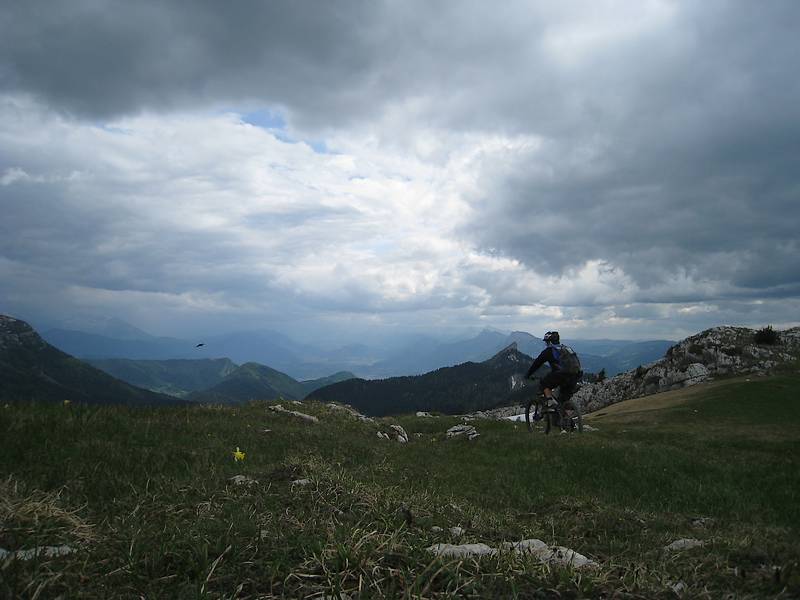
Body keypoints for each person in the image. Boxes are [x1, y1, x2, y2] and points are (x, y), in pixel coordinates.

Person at [525, 331, 582, 430]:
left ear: (550, 342)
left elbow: (537, 364)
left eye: (546, 342)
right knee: (562, 401)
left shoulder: (549, 350)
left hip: (561, 374)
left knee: (544, 384)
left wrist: (528, 374)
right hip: (575, 375)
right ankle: (570, 425)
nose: (546, 344)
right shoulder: (567, 348)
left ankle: (549, 403)